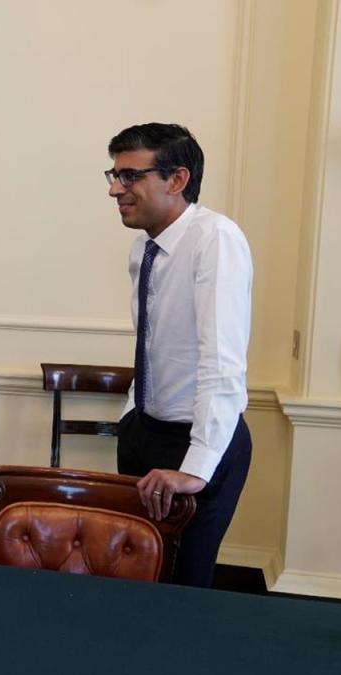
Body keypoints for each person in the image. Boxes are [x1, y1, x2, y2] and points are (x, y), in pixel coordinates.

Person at [106, 123, 253, 587]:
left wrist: (195, 468)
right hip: (144, 432)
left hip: (197, 439)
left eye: (130, 176)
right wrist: (133, 418)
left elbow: (221, 363)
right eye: (112, 175)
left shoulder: (216, 239)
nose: (114, 189)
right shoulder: (143, 248)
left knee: (183, 589)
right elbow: (154, 346)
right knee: (139, 575)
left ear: (177, 180)